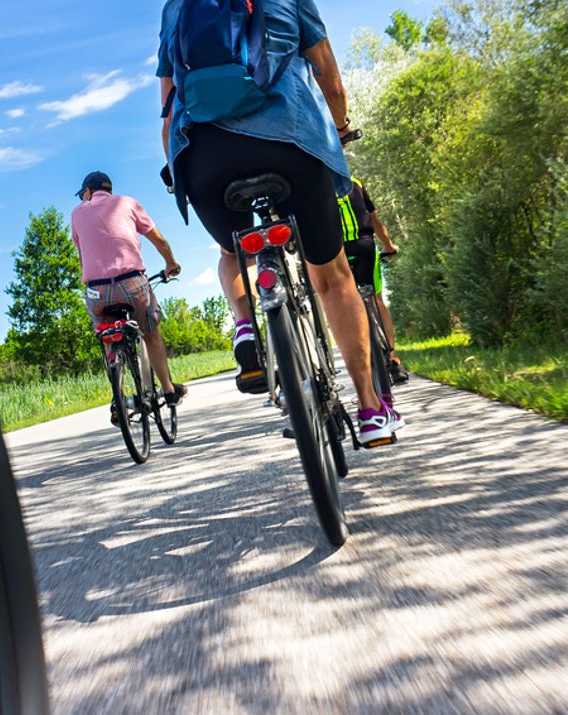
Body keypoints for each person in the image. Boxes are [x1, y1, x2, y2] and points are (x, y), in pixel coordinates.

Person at [155, 0, 403, 444]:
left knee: (234, 251)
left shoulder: (176, 7)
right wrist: (340, 129)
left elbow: (169, 107)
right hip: (290, 140)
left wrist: (178, 170)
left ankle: (246, 324)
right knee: (331, 276)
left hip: (204, 156)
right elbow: (328, 74)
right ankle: (370, 409)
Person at [71, 171, 188, 409]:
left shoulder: (77, 213)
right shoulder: (127, 203)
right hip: (131, 283)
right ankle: (168, 389)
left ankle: (118, 398)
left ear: (88, 192)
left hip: (96, 292)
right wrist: (171, 263)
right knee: (151, 333)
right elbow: (159, 240)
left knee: (107, 337)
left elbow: (82, 255)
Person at [337, 176, 409, 384]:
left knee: (344, 304)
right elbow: (374, 220)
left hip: (337, 251)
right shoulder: (355, 183)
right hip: (364, 244)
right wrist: (388, 245)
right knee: (376, 299)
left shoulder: (318, 184)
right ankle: (393, 358)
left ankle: (360, 364)